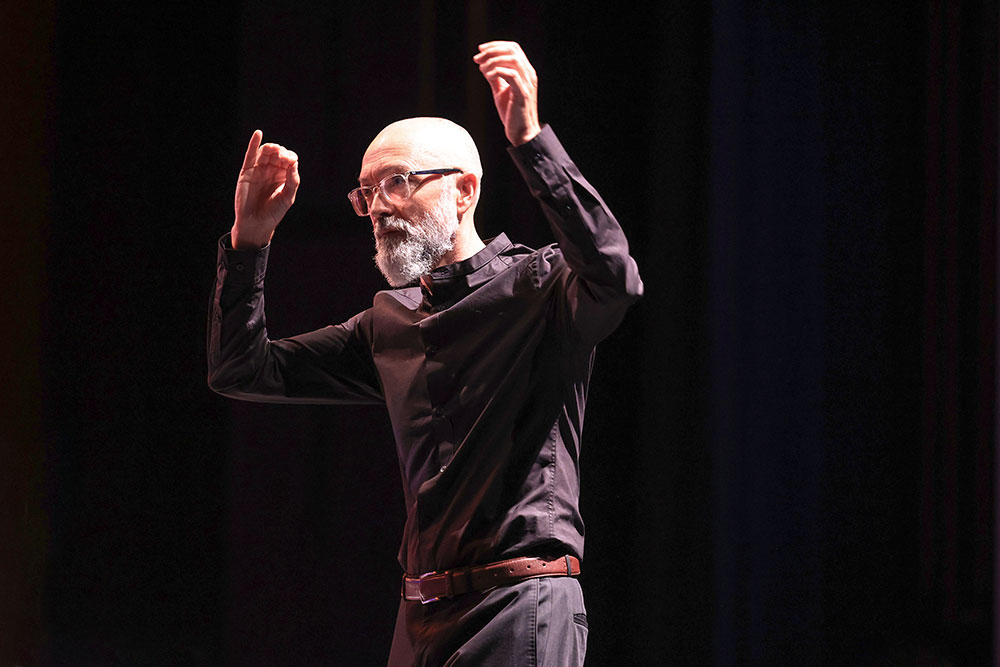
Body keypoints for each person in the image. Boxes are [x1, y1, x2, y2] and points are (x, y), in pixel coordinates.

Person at [208, 41, 642, 666]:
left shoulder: (540, 288)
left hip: (518, 604)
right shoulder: (389, 323)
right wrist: (249, 242)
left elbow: (614, 275)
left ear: (465, 190)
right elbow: (241, 368)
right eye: (366, 194)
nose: (378, 207)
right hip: (421, 620)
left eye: (398, 182)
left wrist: (529, 140)